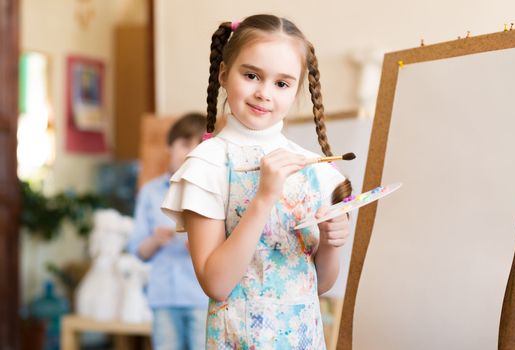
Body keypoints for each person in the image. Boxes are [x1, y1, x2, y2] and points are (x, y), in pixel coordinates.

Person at [162, 14, 353, 349]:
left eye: (282, 83)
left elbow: (318, 284)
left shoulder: (313, 168)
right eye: (251, 75)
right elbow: (216, 284)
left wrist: (330, 243)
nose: (264, 93)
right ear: (224, 74)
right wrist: (264, 198)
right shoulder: (207, 165)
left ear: (296, 92)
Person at [128, 113, 208, 350]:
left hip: (202, 298)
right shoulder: (150, 192)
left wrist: (199, 246)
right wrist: (155, 239)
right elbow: (137, 250)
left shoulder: (214, 193)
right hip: (163, 296)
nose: (192, 152)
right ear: (169, 147)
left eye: (200, 146)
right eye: (185, 144)